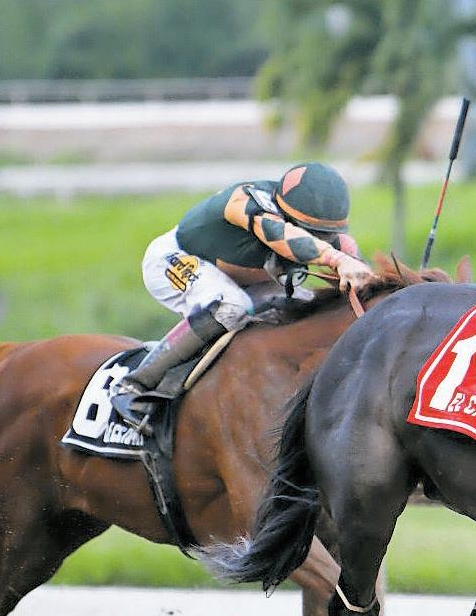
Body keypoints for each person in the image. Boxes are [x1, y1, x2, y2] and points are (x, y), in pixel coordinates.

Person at [111, 161, 377, 427]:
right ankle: (134, 385)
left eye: (326, 235)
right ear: (287, 213)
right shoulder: (247, 201)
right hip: (176, 259)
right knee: (232, 307)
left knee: (304, 304)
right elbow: (281, 236)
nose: (321, 240)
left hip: (239, 277)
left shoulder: (323, 234)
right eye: (313, 232)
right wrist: (336, 259)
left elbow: (353, 263)